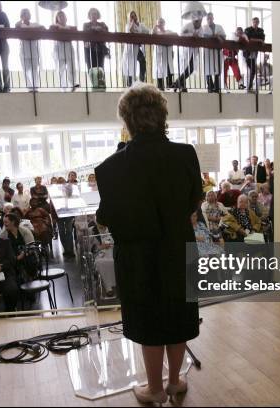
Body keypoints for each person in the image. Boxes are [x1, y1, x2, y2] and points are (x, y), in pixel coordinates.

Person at [95, 83, 202, 405]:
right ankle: (174, 382)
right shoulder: (185, 154)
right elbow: (193, 201)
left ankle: (154, 388)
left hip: (138, 256)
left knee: (149, 319)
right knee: (178, 315)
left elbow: (105, 217)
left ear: (126, 120)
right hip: (177, 247)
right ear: (163, 115)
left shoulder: (110, 167)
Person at [173, 13, 204, 92]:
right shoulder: (187, 26)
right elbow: (181, 34)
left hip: (194, 51)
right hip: (185, 50)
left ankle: (177, 82)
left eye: (200, 21)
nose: (199, 23)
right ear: (194, 21)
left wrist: (197, 36)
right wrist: (191, 34)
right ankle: (182, 86)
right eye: (198, 21)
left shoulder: (201, 28)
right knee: (184, 68)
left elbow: (201, 37)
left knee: (191, 68)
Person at [50, 11, 79, 90]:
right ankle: (63, 87)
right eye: (60, 16)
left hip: (68, 48)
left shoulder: (69, 27)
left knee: (72, 66)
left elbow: (75, 30)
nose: (62, 17)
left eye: (63, 16)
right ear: (57, 18)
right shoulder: (55, 27)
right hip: (59, 48)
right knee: (60, 69)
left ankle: (73, 83)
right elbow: (51, 28)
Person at [16, 8, 44, 91]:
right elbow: (16, 26)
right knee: (26, 69)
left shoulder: (35, 24)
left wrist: (31, 31)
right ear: (21, 16)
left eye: (27, 13)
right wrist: (21, 20)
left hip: (34, 50)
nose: (26, 15)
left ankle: (35, 87)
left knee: (34, 69)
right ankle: (30, 88)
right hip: (24, 50)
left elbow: (42, 28)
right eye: (24, 14)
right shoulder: (20, 25)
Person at [83, 8, 109, 91]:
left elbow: (106, 31)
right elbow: (85, 32)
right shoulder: (86, 25)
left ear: (97, 15)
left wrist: (99, 29)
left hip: (100, 49)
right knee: (90, 68)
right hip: (89, 49)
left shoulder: (102, 24)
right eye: (91, 14)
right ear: (89, 15)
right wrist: (94, 29)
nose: (93, 15)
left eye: (95, 14)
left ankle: (101, 85)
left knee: (100, 68)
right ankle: (94, 85)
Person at [122, 11, 150, 86]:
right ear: (129, 18)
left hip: (137, 48)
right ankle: (129, 84)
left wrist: (139, 26)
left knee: (143, 61)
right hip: (129, 49)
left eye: (134, 16)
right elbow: (131, 30)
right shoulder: (128, 25)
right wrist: (132, 23)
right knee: (129, 64)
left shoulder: (141, 25)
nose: (133, 17)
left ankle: (141, 81)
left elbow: (147, 31)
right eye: (131, 16)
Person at [201, 12, 226, 93]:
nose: (209, 20)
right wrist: (213, 36)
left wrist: (218, 36)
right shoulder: (204, 27)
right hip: (207, 51)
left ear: (213, 18)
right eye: (208, 18)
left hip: (217, 50)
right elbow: (203, 36)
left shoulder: (219, 27)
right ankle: (210, 86)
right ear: (206, 19)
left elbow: (224, 36)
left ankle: (217, 86)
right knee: (207, 68)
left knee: (217, 69)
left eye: (211, 18)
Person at [152, 18, 176, 91]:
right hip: (159, 55)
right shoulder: (156, 32)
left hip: (168, 54)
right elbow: (152, 35)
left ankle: (170, 86)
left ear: (164, 23)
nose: (160, 24)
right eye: (159, 23)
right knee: (159, 70)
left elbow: (175, 34)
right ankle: (160, 87)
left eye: (162, 22)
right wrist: (155, 28)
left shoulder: (168, 31)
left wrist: (164, 35)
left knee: (169, 69)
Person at [244, 17, 265, 92]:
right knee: (251, 70)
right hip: (247, 53)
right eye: (254, 22)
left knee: (253, 70)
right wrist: (258, 40)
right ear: (252, 23)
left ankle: (249, 86)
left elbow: (263, 38)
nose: (255, 23)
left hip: (254, 53)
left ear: (258, 23)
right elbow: (248, 39)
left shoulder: (260, 30)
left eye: (257, 22)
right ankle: (248, 86)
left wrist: (257, 40)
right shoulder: (248, 29)